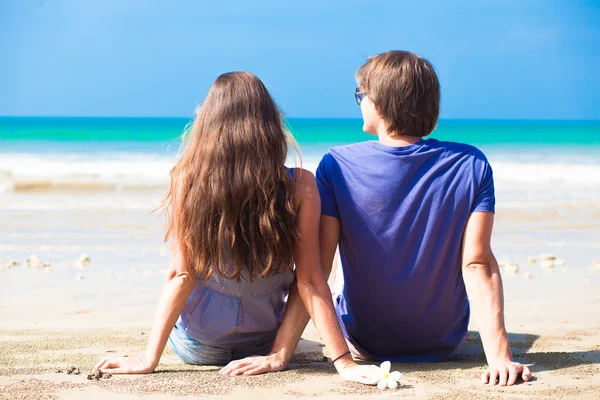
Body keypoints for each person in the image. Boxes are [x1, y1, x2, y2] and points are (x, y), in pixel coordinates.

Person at [94, 72, 379, 385]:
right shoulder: (300, 185)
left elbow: (181, 276)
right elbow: (310, 279)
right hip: (265, 344)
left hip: (197, 349)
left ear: (208, 126)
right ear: (271, 124)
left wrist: (149, 359)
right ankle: (286, 348)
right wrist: (339, 362)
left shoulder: (187, 181)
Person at [316, 51, 532, 386]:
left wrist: (331, 356)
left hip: (365, 342)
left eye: (362, 95)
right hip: (443, 341)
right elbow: (477, 263)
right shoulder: (470, 164)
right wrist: (500, 357)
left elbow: (320, 267)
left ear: (381, 103)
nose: (359, 102)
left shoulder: (336, 165)